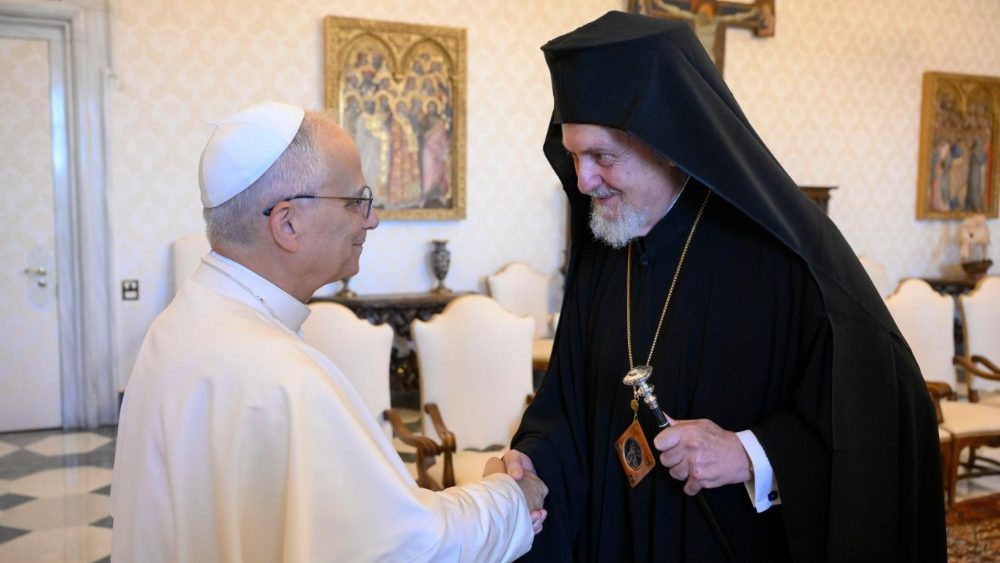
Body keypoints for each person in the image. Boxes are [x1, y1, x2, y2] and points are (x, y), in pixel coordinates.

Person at [504, 11, 946, 562]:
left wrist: (750, 454)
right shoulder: (605, 246)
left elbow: (883, 414)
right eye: (573, 155)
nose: (583, 179)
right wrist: (530, 458)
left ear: (667, 142)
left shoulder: (778, 258)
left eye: (601, 157)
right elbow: (569, 405)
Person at [111, 102, 547, 562]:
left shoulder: (182, 322)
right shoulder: (284, 377)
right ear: (287, 223)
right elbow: (412, 546)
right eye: (357, 201)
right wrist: (512, 499)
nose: (371, 219)